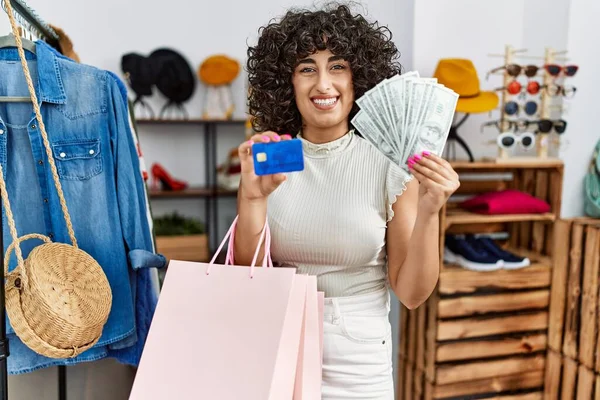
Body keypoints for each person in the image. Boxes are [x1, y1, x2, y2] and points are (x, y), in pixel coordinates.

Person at [234, 3, 460, 399]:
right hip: (276, 340)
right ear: (286, 82)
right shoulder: (271, 158)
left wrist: (429, 210)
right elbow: (246, 274)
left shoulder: (391, 164)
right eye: (307, 68)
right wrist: (252, 198)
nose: (323, 84)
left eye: (337, 66)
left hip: (360, 357)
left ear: (359, 78)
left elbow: (410, 293)